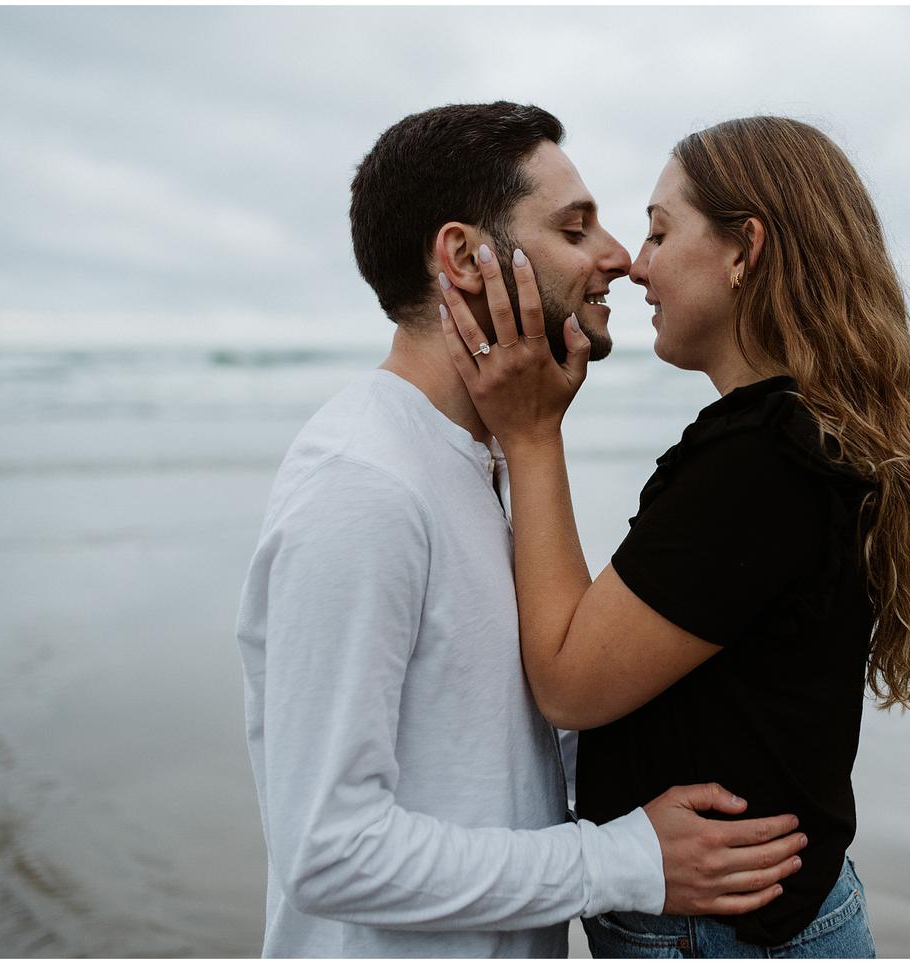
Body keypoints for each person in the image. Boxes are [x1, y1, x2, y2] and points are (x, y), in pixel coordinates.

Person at [234, 103, 808, 959]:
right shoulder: (362, 489)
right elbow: (330, 851)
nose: (618, 256)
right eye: (576, 229)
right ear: (465, 258)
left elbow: (506, 744)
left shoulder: (482, 456)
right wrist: (622, 860)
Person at [439, 115, 910, 957]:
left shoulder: (762, 459)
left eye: (658, 231)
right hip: (776, 918)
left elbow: (572, 685)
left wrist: (533, 436)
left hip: (720, 934)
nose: (637, 265)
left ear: (743, 249)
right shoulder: (806, 435)